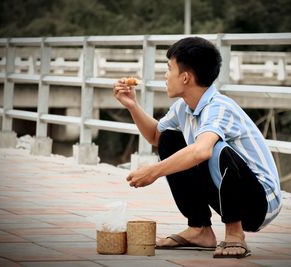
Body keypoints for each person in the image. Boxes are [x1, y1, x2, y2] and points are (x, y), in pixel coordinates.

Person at [113, 36, 282, 258]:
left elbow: (203, 151)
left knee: (215, 149)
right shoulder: (183, 107)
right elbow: (156, 136)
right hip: (228, 193)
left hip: (259, 201)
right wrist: (132, 106)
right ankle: (199, 229)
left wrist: (153, 171)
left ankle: (234, 234)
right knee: (169, 139)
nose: (165, 75)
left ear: (185, 77)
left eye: (168, 68)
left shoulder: (219, 108)